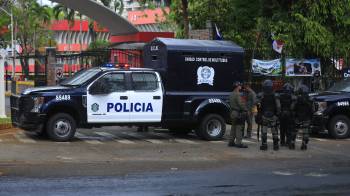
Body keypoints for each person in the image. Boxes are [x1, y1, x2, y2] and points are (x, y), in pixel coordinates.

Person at [257, 80, 281, 151]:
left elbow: (256, 103)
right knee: (274, 131)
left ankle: (264, 145)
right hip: (273, 115)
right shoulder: (275, 95)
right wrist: (277, 114)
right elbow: (278, 106)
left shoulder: (261, 95)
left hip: (264, 115)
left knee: (264, 131)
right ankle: (275, 145)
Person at [292, 84, 313, 150]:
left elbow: (292, 108)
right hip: (306, 118)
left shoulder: (297, 99)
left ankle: (292, 143)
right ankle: (304, 144)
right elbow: (312, 110)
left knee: (294, 131)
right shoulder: (310, 100)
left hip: (298, 117)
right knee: (306, 131)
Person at [228, 82, 248, 148]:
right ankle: (239, 143)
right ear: (237, 86)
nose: (241, 86)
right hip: (238, 113)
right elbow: (240, 104)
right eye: (240, 85)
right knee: (239, 128)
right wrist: (245, 109)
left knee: (233, 127)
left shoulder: (231, 94)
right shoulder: (238, 94)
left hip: (233, 112)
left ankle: (231, 142)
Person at [278, 83, 296, 148]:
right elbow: (293, 107)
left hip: (282, 114)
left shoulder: (280, 96)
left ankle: (282, 142)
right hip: (289, 115)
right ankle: (287, 141)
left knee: (282, 129)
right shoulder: (293, 97)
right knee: (289, 129)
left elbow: (278, 106)